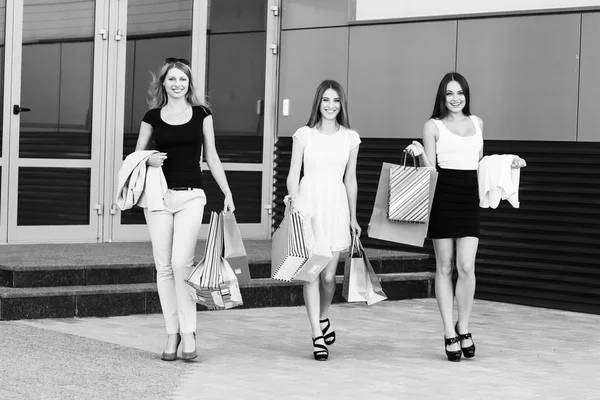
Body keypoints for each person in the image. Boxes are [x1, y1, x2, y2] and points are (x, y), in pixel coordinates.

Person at [405, 72, 525, 362]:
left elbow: (480, 162)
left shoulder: (477, 122)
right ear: (442, 97)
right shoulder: (432, 126)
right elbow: (430, 171)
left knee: (466, 266)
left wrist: (509, 162)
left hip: (468, 198)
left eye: (460, 93)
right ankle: (449, 331)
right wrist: (420, 152)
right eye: (449, 93)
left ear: (466, 95)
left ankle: (465, 326)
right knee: (445, 267)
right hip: (443, 198)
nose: (455, 98)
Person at [134, 58, 235, 361]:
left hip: (192, 196)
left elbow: (212, 156)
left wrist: (227, 191)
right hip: (159, 198)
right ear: (162, 84)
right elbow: (136, 155)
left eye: (182, 79)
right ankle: (171, 333)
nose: (177, 84)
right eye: (171, 79)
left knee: (181, 263)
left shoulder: (202, 114)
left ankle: (189, 331)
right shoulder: (152, 116)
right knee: (164, 267)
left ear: (189, 84)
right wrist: (148, 159)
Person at [285, 80, 361, 361]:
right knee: (312, 274)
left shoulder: (351, 138)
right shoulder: (304, 135)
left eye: (336, 101)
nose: (331, 105)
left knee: (329, 277)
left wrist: (354, 217)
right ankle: (317, 334)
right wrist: (293, 198)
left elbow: (350, 180)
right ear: (318, 102)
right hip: (308, 207)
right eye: (326, 100)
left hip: (336, 207)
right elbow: (294, 173)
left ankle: (324, 316)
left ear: (342, 105)